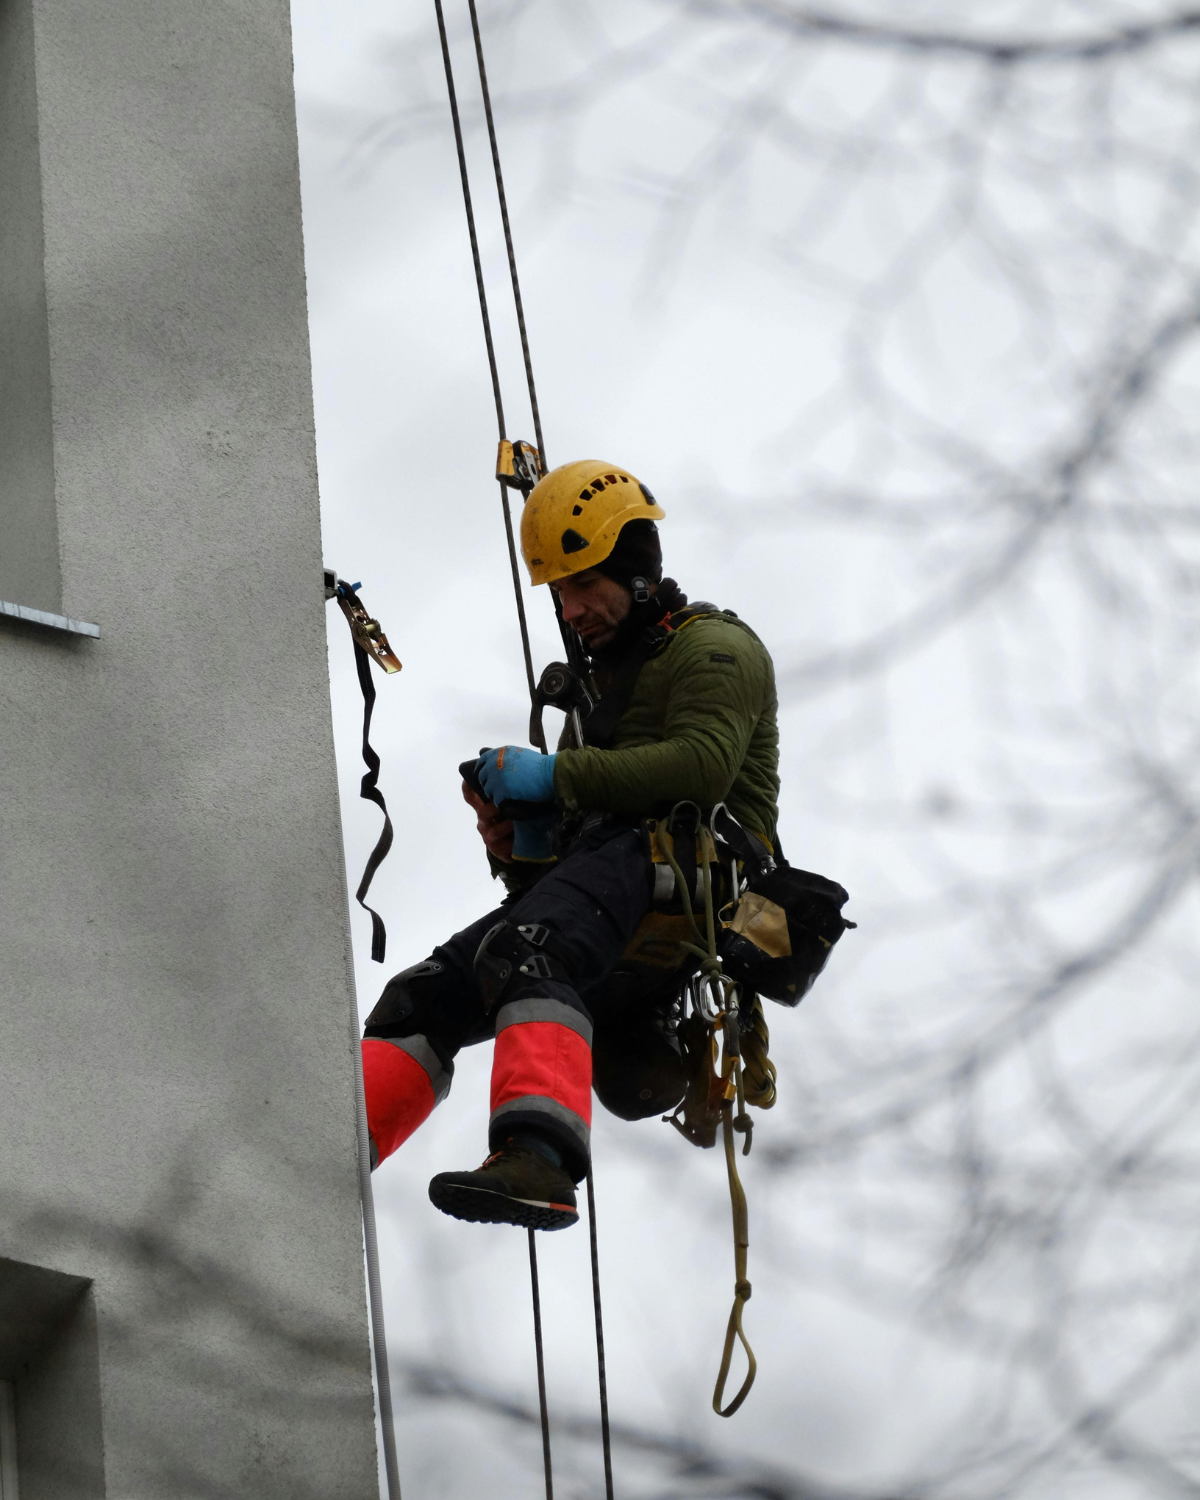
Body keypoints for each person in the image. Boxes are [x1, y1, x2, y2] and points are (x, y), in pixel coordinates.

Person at [361, 460, 780, 1229]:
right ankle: (328, 1154)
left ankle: (539, 1161)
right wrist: (514, 843)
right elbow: (560, 875)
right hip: (622, 873)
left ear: (637, 570)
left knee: (530, 948)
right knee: (423, 998)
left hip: (699, 870)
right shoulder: (595, 705)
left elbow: (703, 765)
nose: (571, 608)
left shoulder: (716, 648)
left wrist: (553, 778)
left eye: (585, 584)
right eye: (559, 591)